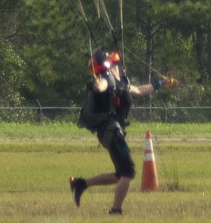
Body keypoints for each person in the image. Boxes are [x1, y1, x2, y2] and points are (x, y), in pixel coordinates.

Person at [69, 48, 177, 214]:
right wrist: (98, 85)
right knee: (129, 171)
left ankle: (80, 184)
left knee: (121, 174)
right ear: (112, 64)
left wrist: (162, 83)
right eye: (116, 62)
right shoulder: (106, 79)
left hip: (113, 132)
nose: (121, 65)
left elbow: (140, 91)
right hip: (110, 131)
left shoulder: (122, 83)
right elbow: (100, 87)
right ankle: (115, 210)